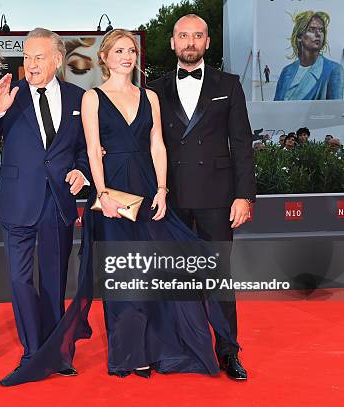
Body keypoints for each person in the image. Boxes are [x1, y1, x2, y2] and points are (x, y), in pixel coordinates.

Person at [0, 27, 90, 385]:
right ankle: (31, 351)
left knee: (55, 281)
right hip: (17, 201)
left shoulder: (78, 98)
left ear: (57, 59)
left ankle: (56, 352)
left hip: (58, 202)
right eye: (27, 56)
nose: (31, 63)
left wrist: (82, 172)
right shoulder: (9, 95)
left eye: (39, 57)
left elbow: (86, 148)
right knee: (20, 280)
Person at [149, 14, 256, 380]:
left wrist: (244, 195)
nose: (190, 42)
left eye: (197, 35)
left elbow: (242, 144)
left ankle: (228, 352)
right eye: (183, 35)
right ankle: (180, 349)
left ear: (208, 42)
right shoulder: (155, 88)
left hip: (217, 198)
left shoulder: (230, 84)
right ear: (173, 42)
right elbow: (144, 140)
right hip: (171, 198)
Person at [274, 10, 343, 101]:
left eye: (321, 30)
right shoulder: (287, 72)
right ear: (299, 36)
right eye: (311, 29)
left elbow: (336, 110)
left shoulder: (333, 69)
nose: (318, 34)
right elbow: (276, 108)